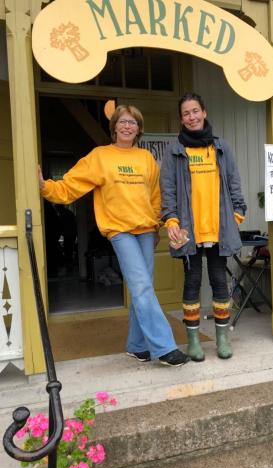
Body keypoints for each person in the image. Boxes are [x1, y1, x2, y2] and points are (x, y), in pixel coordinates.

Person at [38, 105, 189, 367]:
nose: (128, 126)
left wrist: (156, 228)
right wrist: (46, 187)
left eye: (133, 122)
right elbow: (71, 185)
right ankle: (164, 347)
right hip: (119, 231)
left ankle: (137, 345)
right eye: (123, 122)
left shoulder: (146, 159)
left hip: (145, 230)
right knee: (141, 286)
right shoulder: (100, 156)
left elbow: (155, 197)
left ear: (139, 129)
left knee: (143, 289)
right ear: (114, 127)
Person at [160, 92, 247, 362]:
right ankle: (194, 341)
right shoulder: (175, 151)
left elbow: (234, 183)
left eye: (195, 111)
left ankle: (222, 339)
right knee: (193, 282)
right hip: (190, 232)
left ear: (204, 112)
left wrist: (236, 217)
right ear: (181, 119)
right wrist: (171, 220)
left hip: (219, 230)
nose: (192, 116)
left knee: (220, 282)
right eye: (186, 113)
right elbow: (168, 191)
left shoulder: (221, 147)